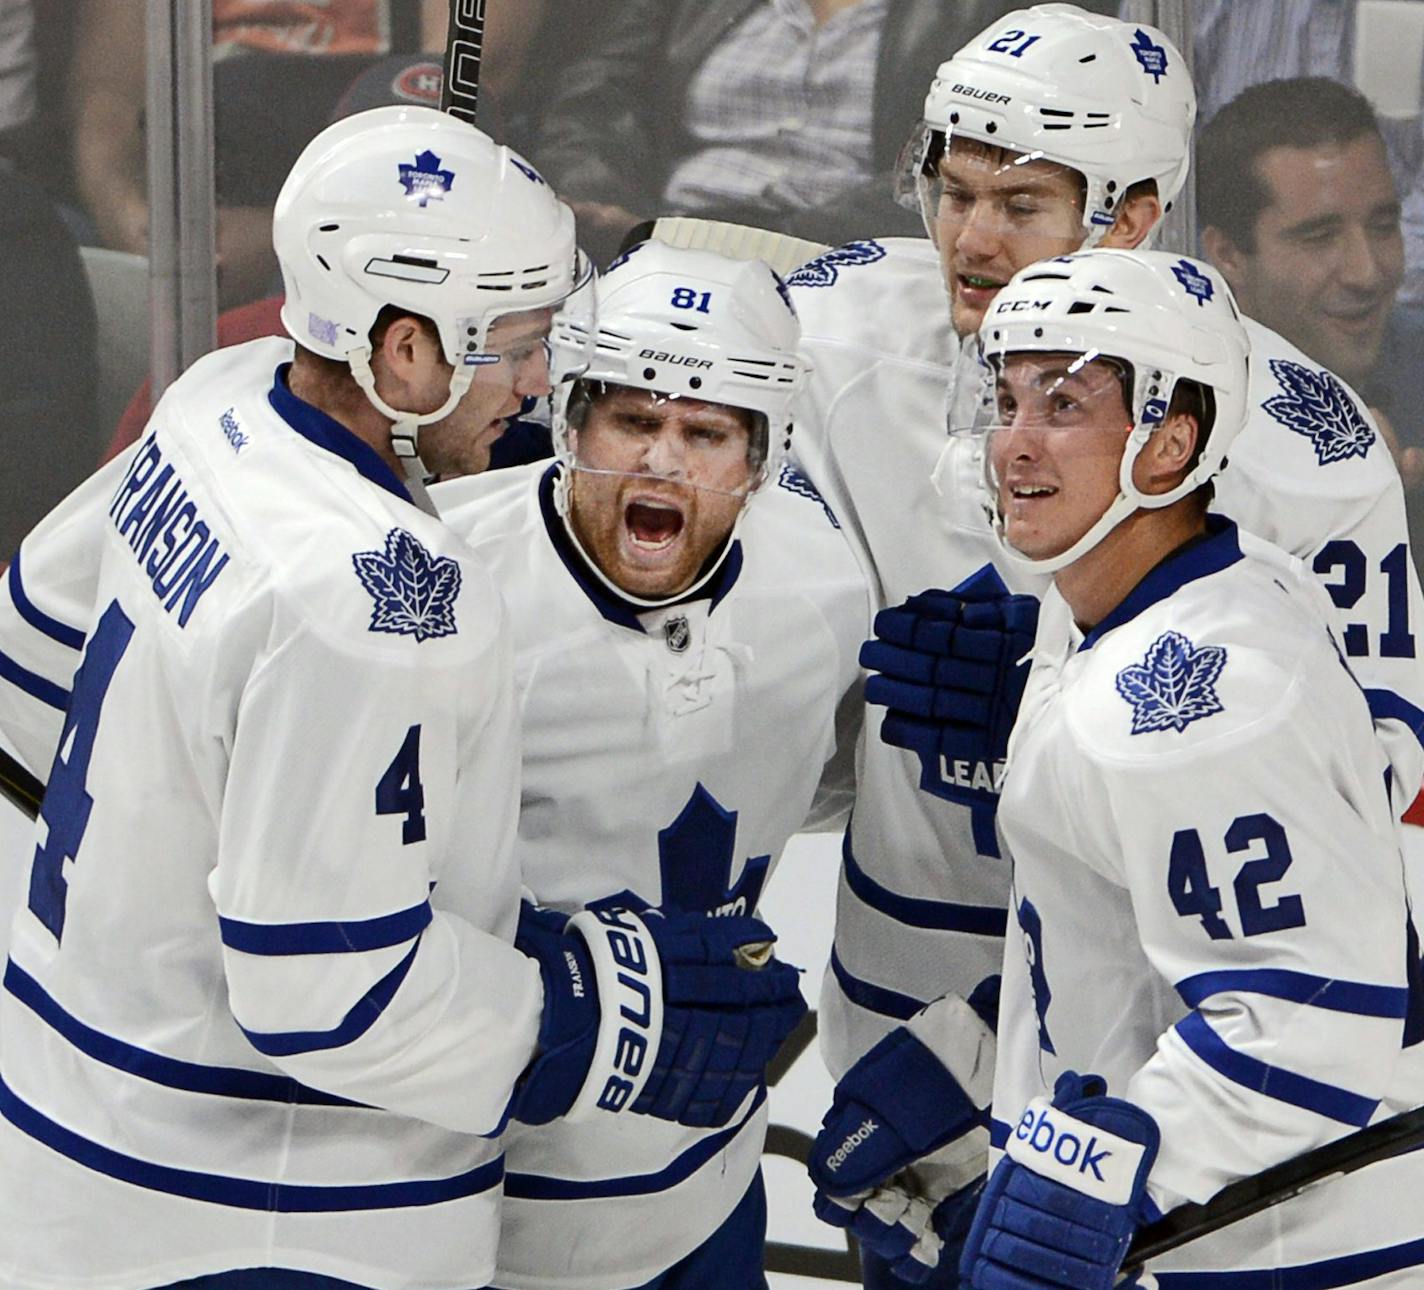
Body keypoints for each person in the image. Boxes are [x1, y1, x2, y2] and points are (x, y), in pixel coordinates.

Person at [0, 105, 806, 1288]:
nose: (536, 383)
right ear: (403, 351)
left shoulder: (212, 407)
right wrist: (591, 1019)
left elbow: (27, 657)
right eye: (517, 340)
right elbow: (329, 992)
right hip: (268, 1221)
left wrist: (179, 866)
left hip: (70, 1146)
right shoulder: (385, 599)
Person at [785, 6, 1424, 1285]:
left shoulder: (1305, 450)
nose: (968, 241)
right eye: (949, 192)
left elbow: (1366, 788)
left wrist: (1046, 713)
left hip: (1187, 1087)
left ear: (1129, 215)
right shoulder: (825, 333)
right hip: (966, 1001)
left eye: (1018, 204)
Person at [948, 247, 1423, 1286]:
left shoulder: (1187, 703)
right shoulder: (1177, 590)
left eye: (1063, 405)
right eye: (1005, 398)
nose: (1012, 445)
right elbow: (1144, 929)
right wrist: (966, 1061)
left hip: (1266, 1257)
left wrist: (1086, 1188)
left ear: (1167, 443)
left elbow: (1310, 1017)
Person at [433, 240, 869, 1290]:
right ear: (569, 421)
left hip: (702, 1187)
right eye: (632, 420)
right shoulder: (444, 586)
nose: (662, 462)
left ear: (761, 456)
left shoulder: (824, 587)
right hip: (472, 1207)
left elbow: (826, 783)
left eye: (704, 431)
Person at [525, 0, 1115, 266]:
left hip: (848, 258)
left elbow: (967, 161)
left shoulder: (993, 10)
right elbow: (596, 96)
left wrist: (746, 240)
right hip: (648, 238)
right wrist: (604, 207)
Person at [1198, 76, 1424, 488]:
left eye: (1383, 225)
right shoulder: (1176, 405)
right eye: (1319, 237)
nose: (1367, 273)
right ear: (1228, 253)